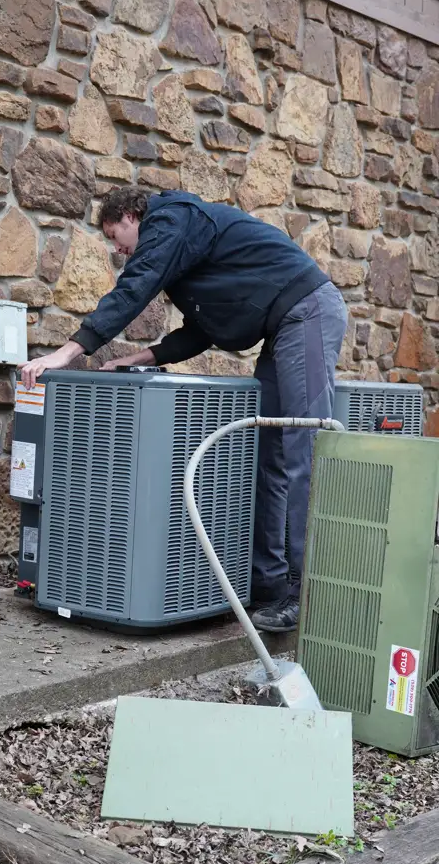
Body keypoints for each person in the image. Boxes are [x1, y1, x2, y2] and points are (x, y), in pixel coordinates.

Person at [19, 186, 347, 633]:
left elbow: (135, 286)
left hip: (306, 312)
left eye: (119, 238)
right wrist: (144, 357)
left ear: (135, 216)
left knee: (300, 450)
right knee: (269, 455)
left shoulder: (170, 219)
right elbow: (203, 329)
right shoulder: (183, 250)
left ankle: (305, 592)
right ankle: (268, 584)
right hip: (280, 325)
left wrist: (67, 352)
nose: (119, 250)